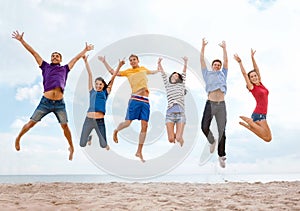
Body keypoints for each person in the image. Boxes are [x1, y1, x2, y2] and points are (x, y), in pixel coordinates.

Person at [12, 30, 94, 160]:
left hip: (59, 104)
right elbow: (33, 53)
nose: (55, 57)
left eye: (57, 56)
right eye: (53, 56)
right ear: (51, 58)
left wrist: (85, 50)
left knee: (65, 126)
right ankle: (18, 138)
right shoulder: (45, 66)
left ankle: (71, 147)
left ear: (60, 59)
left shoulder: (65, 69)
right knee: (31, 123)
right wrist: (22, 41)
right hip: (45, 102)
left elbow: (76, 58)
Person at [98, 54, 159, 162]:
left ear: (138, 60)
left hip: (145, 101)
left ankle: (139, 151)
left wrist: (159, 68)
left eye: (134, 59)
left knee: (144, 126)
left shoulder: (143, 69)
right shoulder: (128, 72)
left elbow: (153, 72)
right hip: (135, 99)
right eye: (130, 60)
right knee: (127, 123)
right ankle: (116, 130)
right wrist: (104, 62)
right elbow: (113, 72)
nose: (132, 61)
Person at [79, 55, 124, 149]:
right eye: (96, 84)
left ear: (103, 85)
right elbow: (90, 74)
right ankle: (89, 137)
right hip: (88, 120)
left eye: (100, 84)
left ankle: (93, 136)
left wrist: (119, 66)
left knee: (103, 145)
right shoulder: (91, 91)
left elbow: (114, 76)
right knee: (82, 144)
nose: (98, 86)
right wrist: (85, 61)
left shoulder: (106, 92)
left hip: (100, 121)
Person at [200, 38, 228, 168]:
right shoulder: (207, 74)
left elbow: (226, 62)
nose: (217, 66)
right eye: (215, 64)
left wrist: (224, 49)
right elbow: (201, 60)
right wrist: (203, 46)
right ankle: (211, 141)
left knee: (222, 131)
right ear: (212, 66)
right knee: (204, 127)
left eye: (219, 65)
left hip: (221, 105)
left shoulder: (223, 74)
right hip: (210, 103)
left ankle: (221, 156)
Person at [233, 49, 272, 142]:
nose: (254, 77)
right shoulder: (252, 87)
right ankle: (250, 122)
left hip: (262, 115)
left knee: (268, 138)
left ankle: (248, 126)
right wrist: (240, 62)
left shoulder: (261, 84)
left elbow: (257, 69)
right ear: (250, 79)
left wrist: (252, 57)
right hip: (258, 114)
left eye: (255, 76)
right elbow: (244, 74)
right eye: (252, 77)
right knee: (268, 138)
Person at [157, 57, 188, 147]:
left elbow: (184, 73)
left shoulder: (181, 85)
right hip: (169, 115)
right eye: (174, 74)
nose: (176, 75)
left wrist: (185, 62)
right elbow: (163, 74)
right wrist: (159, 63)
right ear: (171, 77)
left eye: (177, 75)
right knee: (171, 140)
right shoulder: (168, 85)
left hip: (180, 114)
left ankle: (180, 138)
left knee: (177, 138)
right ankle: (178, 137)